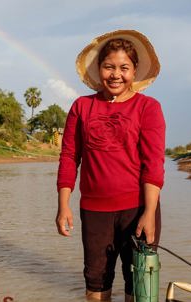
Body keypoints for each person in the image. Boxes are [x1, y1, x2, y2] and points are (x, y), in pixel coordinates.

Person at [56, 29, 165, 302]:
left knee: (139, 288)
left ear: (134, 71)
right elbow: (69, 157)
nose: (116, 74)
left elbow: (154, 164)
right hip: (94, 212)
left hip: (137, 210)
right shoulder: (81, 107)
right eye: (109, 67)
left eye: (124, 68)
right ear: (99, 68)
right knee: (96, 285)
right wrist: (63, 205)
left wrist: (149, 212)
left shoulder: (148, 108)